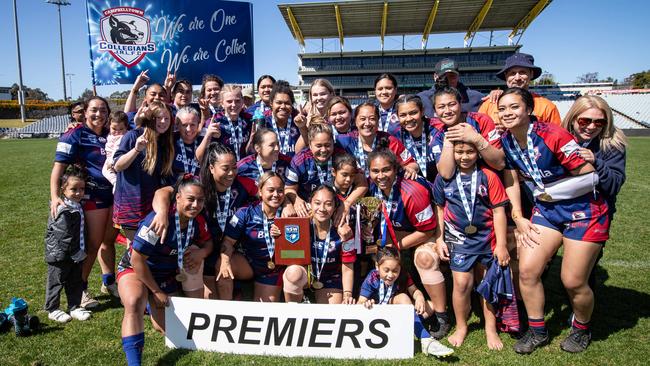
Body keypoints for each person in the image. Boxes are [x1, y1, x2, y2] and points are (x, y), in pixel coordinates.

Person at [498, 87, 610, 354]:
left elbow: (590, 176)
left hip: (584, 211)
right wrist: (518, 215)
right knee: (527, 272)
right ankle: (538, 330)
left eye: (514, 107)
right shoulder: (506, 140)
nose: (507, 113)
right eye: (502, 109)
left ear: (528, 110)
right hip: (547, 211)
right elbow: (511, 179)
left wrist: (552, 191)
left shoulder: (553, 134)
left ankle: (582, 328)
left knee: (572, 281)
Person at [117, 174, 211, 366]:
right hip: (136, 269)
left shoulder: (198, 221)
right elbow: (137, 260)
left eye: (200, 200)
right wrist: (157, 292)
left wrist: (201, 252)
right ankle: (134, 363)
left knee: (171, 331)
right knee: (134, 302)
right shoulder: (158, 221)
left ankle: (151, 304)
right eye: (190, 199)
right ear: (177, 198)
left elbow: (208, 243)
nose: (195, 205)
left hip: (165, 275)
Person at [151, 142, 258, 300]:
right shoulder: (198, 184)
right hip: (202, 246)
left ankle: (231, 300)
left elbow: (269, 192)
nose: (231, 173)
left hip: (230, 248)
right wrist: (161, 212)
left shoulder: (243, 183)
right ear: (211, 168)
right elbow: (163, 192)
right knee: (210, 300)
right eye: (225, 168)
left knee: (229, 274)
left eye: (234, 167)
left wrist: (291, 201)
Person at [433, 141, 510, 350]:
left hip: (487, 239)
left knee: (486, 285)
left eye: (470, 152)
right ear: (452, 152)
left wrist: (501, 244)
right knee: (461, 285)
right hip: (459, 240)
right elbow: (439, 209)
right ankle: (461, 326)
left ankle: (490, 329)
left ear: (478, 152)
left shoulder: (489, 176)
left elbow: (498, 211)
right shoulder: (444, 178)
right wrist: (439, 239)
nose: (464, 157)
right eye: (459, 152)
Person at [366, 149, 450, 339]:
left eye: (386, 170)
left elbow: (427, 229)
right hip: (401, 232)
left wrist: (396, 246)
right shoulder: (372, 189)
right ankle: (388, 304)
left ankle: (441, 314)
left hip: (429, 231)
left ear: (396, 169)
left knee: (424, 258)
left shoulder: (412, 191)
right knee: (380, 258)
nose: (380, 176)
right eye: (375, 171)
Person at [51, 96, 114, 309]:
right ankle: (80, 289)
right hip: (91, 197)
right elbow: (58, 167)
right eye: (94, 110)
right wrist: (54, 196)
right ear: (84, 112)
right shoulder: (74, 134)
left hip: (113, 195)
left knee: (107, 241)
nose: (99, 114)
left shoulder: (111, 132)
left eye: (103, 110)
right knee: (93, 244)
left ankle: (109, 282)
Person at [561, 95, 627, 289]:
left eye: (599, 122)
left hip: (593, 214)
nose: (591, 127)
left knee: (582, 273)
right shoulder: (559, 137)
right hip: (558, 211)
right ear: (573, 118)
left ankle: (582, 314)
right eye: (584, 121)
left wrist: (596, 162)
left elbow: (614, 185)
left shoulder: (613, 143)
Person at [221, 172, 305, 302]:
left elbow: (297, 254)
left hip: (272, 270)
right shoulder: (245, 212)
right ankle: (224, 310)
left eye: (280, 191)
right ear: (260, 191)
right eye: (271, 190)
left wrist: (281, 240)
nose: (276, 195)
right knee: (223, 264)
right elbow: (227, 242)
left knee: (266, 311)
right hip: (248, 265)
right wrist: (225, 261)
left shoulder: (290, 215)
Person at [358, 246, 454, 358]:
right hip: (378, 317)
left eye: (395, 271)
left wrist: (419, 297)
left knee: (431, 306)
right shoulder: (372, 278)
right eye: (386, 270)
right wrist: (366, 304)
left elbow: (414, 291)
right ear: (377, 266)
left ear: (400, 268)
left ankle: (408, 325)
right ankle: (425, 339)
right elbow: (360, 302)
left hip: (396, 312)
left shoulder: (403, 274)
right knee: (403, 297)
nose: (390, 275)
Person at [113, 101, 175, 242]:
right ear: (151, 119)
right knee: (136, 250)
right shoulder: (133, 136)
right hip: (131, 207)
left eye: (167, 118)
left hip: (152, 206)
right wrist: (136, 150)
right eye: (159, 118)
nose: (163, 122)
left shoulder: (166, 142)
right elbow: (117, 166)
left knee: (147, 249)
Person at [286, 185, 356, 304]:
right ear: (310, 203)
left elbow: (347, 267)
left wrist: (347, 294)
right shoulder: (300, 225)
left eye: (328, 204)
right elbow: (288, 257)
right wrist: (277, 232)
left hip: (331, 279)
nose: (322, 208)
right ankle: (293, 312)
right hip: (305, 275)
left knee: (331, 317)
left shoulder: (345, 232)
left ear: (335, 207)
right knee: (293, 273)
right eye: (317, 203)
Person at [285, 122, 368, 218]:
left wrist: (346, 204)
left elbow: (362, 184)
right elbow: (288, 189)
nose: (323, 150)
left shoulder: (342, 155)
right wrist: (296, 201)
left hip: (337, 208)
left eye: (327, 145)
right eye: (319, 146)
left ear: (333, 142)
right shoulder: (299, 161)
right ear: (310, 145)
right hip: (310, 211)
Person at [44, 165, 92, 323]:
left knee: (75, 281)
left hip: (75, 254)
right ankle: (52, 308)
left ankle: (74, 306)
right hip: (60, 255)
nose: (79, 193)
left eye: (82, 188)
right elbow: (63, 237)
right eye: (74, 189)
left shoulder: (76, 205)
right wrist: (77, 253)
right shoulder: (61, 208)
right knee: (56, 282)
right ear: (63, 189)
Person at [431, 87, 504, 180]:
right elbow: (446, 174)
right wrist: (448, 142)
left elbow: (499, 164)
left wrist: (476, 139)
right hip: (459, 187)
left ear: (460, 104)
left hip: (490, 180)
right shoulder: (438, 134)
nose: (448, 111)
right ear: (435, 111)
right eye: (441, 107)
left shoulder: (482, 120)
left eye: (452, 104)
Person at [335, 101, 419, 179]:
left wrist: (410, 169)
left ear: (378, 121)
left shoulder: (391, 141)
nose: (367, 123)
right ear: (355, 122)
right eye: (362, 119)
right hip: (357, 187)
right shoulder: (345, 141)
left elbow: (412, 164)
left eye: (372, 119)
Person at [479, 53, 561, 128]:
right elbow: (477, 132)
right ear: (506, 75)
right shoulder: (489, 104)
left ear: (531, 74)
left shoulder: (547, 107)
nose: (517, 78)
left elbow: (558, 138)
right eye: (512, 73)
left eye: (522, 72)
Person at [197, 84, 252, 162]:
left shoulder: (249, 119)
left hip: (244, 169)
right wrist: (208, 135)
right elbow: (199, 157)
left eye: (237, 101)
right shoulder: (213, 121)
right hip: (223, 170)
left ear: (242, 101)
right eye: (229, 101)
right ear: (222, 103)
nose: (234, 105)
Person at [394, 94, 441, 181]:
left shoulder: (438, 128)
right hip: (418, 184)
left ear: (422, 111)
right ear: (397, 116)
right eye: (403, 115)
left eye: (413, 113)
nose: (408, 119)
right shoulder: (397, 135)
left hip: (443, 184)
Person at [417, 58, 484, 117]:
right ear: (435, 77)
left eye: (452, 76)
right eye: (443, 76)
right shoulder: (421, 99)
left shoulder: (478, 98)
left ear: (458, 76)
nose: (448, 80)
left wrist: (494, 93)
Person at [262, 81, 307, 157]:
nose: (283, 106)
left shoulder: (299, 121)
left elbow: (302, 150)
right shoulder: (264, 122)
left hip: (293, 167)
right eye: (278, 102)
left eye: (287, 103)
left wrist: (302, 127)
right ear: (271, 103)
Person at [172, 107, 202, 180]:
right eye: (184, 125)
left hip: (197, 188)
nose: (189, 129)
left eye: (193, 125)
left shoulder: (203, 143)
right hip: (174, 188)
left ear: (198, 125)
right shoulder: (170, 141)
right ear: (177, 125)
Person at [103, 111, 129, 190]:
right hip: (109, 158)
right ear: (109, 126)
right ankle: (115, 182)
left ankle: (117, 183)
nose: (117, 132)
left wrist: (111, 161)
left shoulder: (124, 137)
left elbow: (117, 149)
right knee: (105, 171)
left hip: (117, 158)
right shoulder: (109, 135)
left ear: (126, 127)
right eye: (114, 128)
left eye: (121, 129)